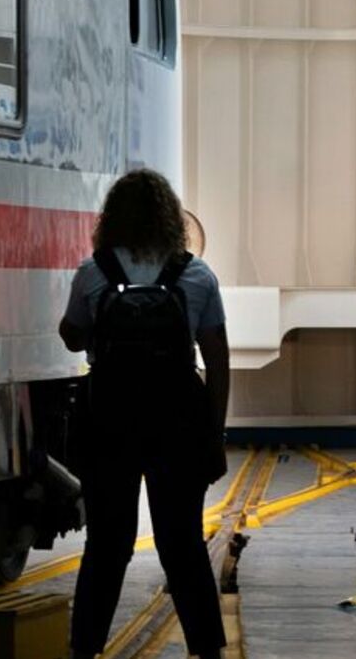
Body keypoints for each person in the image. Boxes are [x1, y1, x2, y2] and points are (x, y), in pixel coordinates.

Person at [59, 169, 230, 659]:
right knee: (182, 543)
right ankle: (207, 650)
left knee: (108, 545)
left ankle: (85, 648)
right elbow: (217, 359)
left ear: (111, 219)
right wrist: (212, 434)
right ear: (171, 220)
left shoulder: (94, 273)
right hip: (177, 424)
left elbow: (72, 335)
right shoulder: (195, 276)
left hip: (110, 424)